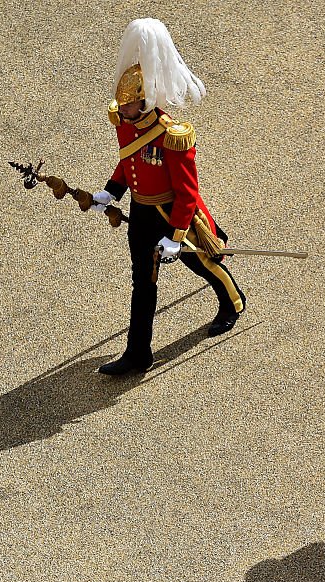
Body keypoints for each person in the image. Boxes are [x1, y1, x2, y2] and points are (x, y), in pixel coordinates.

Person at [91, 18, 246, 375]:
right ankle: (138, 353)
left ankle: (233, 301)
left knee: (202, 263)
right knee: (142, 281)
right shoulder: (128, 126)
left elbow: (187, 191)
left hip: (171, 212)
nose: (123, 113)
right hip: (141, 213)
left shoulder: (171, 136)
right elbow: (128, 162)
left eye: (128, 106)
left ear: (144, 102)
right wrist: (111, 191)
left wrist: (176, 235)